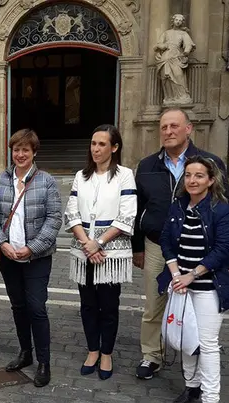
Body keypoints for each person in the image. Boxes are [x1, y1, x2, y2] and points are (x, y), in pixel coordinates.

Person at [132, 108, 229, 380]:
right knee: (154, 304)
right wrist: (137, 247)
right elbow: (137, 208)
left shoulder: (210, 163)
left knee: (196, 305)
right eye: (164, 127)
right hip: (156, 246)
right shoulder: (147, 165)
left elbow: (224, 205)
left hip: (198, 249)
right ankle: (152, 355)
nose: (168, 131)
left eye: (174, 126)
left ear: (189, 129)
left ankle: (195, 353)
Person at [158, 156, 229, 403]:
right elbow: (166, 241)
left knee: (206, 345)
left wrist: (192, 274)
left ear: (210, 180)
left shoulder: (220, 209)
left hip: (209, 286)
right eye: (188, 175)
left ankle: (210, 402)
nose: (192, 180)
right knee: (186, 338)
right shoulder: (179, 205)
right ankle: (191, 386)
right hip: (181, 283)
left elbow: (223, 249)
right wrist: (175, 275)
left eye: (199, 176)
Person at [0, 129, 62, 387]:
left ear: (34, 152)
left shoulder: (46, 181)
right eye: (16, 149)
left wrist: (34, 248)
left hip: (36, 258)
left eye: (25, 150)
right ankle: (25, 353)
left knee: (36, 308)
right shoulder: (0, 180)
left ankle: (43, 362)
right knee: (18, 306)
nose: (20, 154)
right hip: (8, 257)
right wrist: (1, 244)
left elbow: (54, 219)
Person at [64, 125, 136, 381]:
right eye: (93, 143)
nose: (96, 149)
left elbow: (127, 214)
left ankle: (107, 352)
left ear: (114, 147)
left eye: (102, 144)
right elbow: (71, 212)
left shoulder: (125, 175)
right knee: (87, 305)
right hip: (85, 252)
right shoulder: (80, 176)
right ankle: (92, 350)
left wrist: (100, 243)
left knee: (109, 305)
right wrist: (87, 243)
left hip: (110, 255)